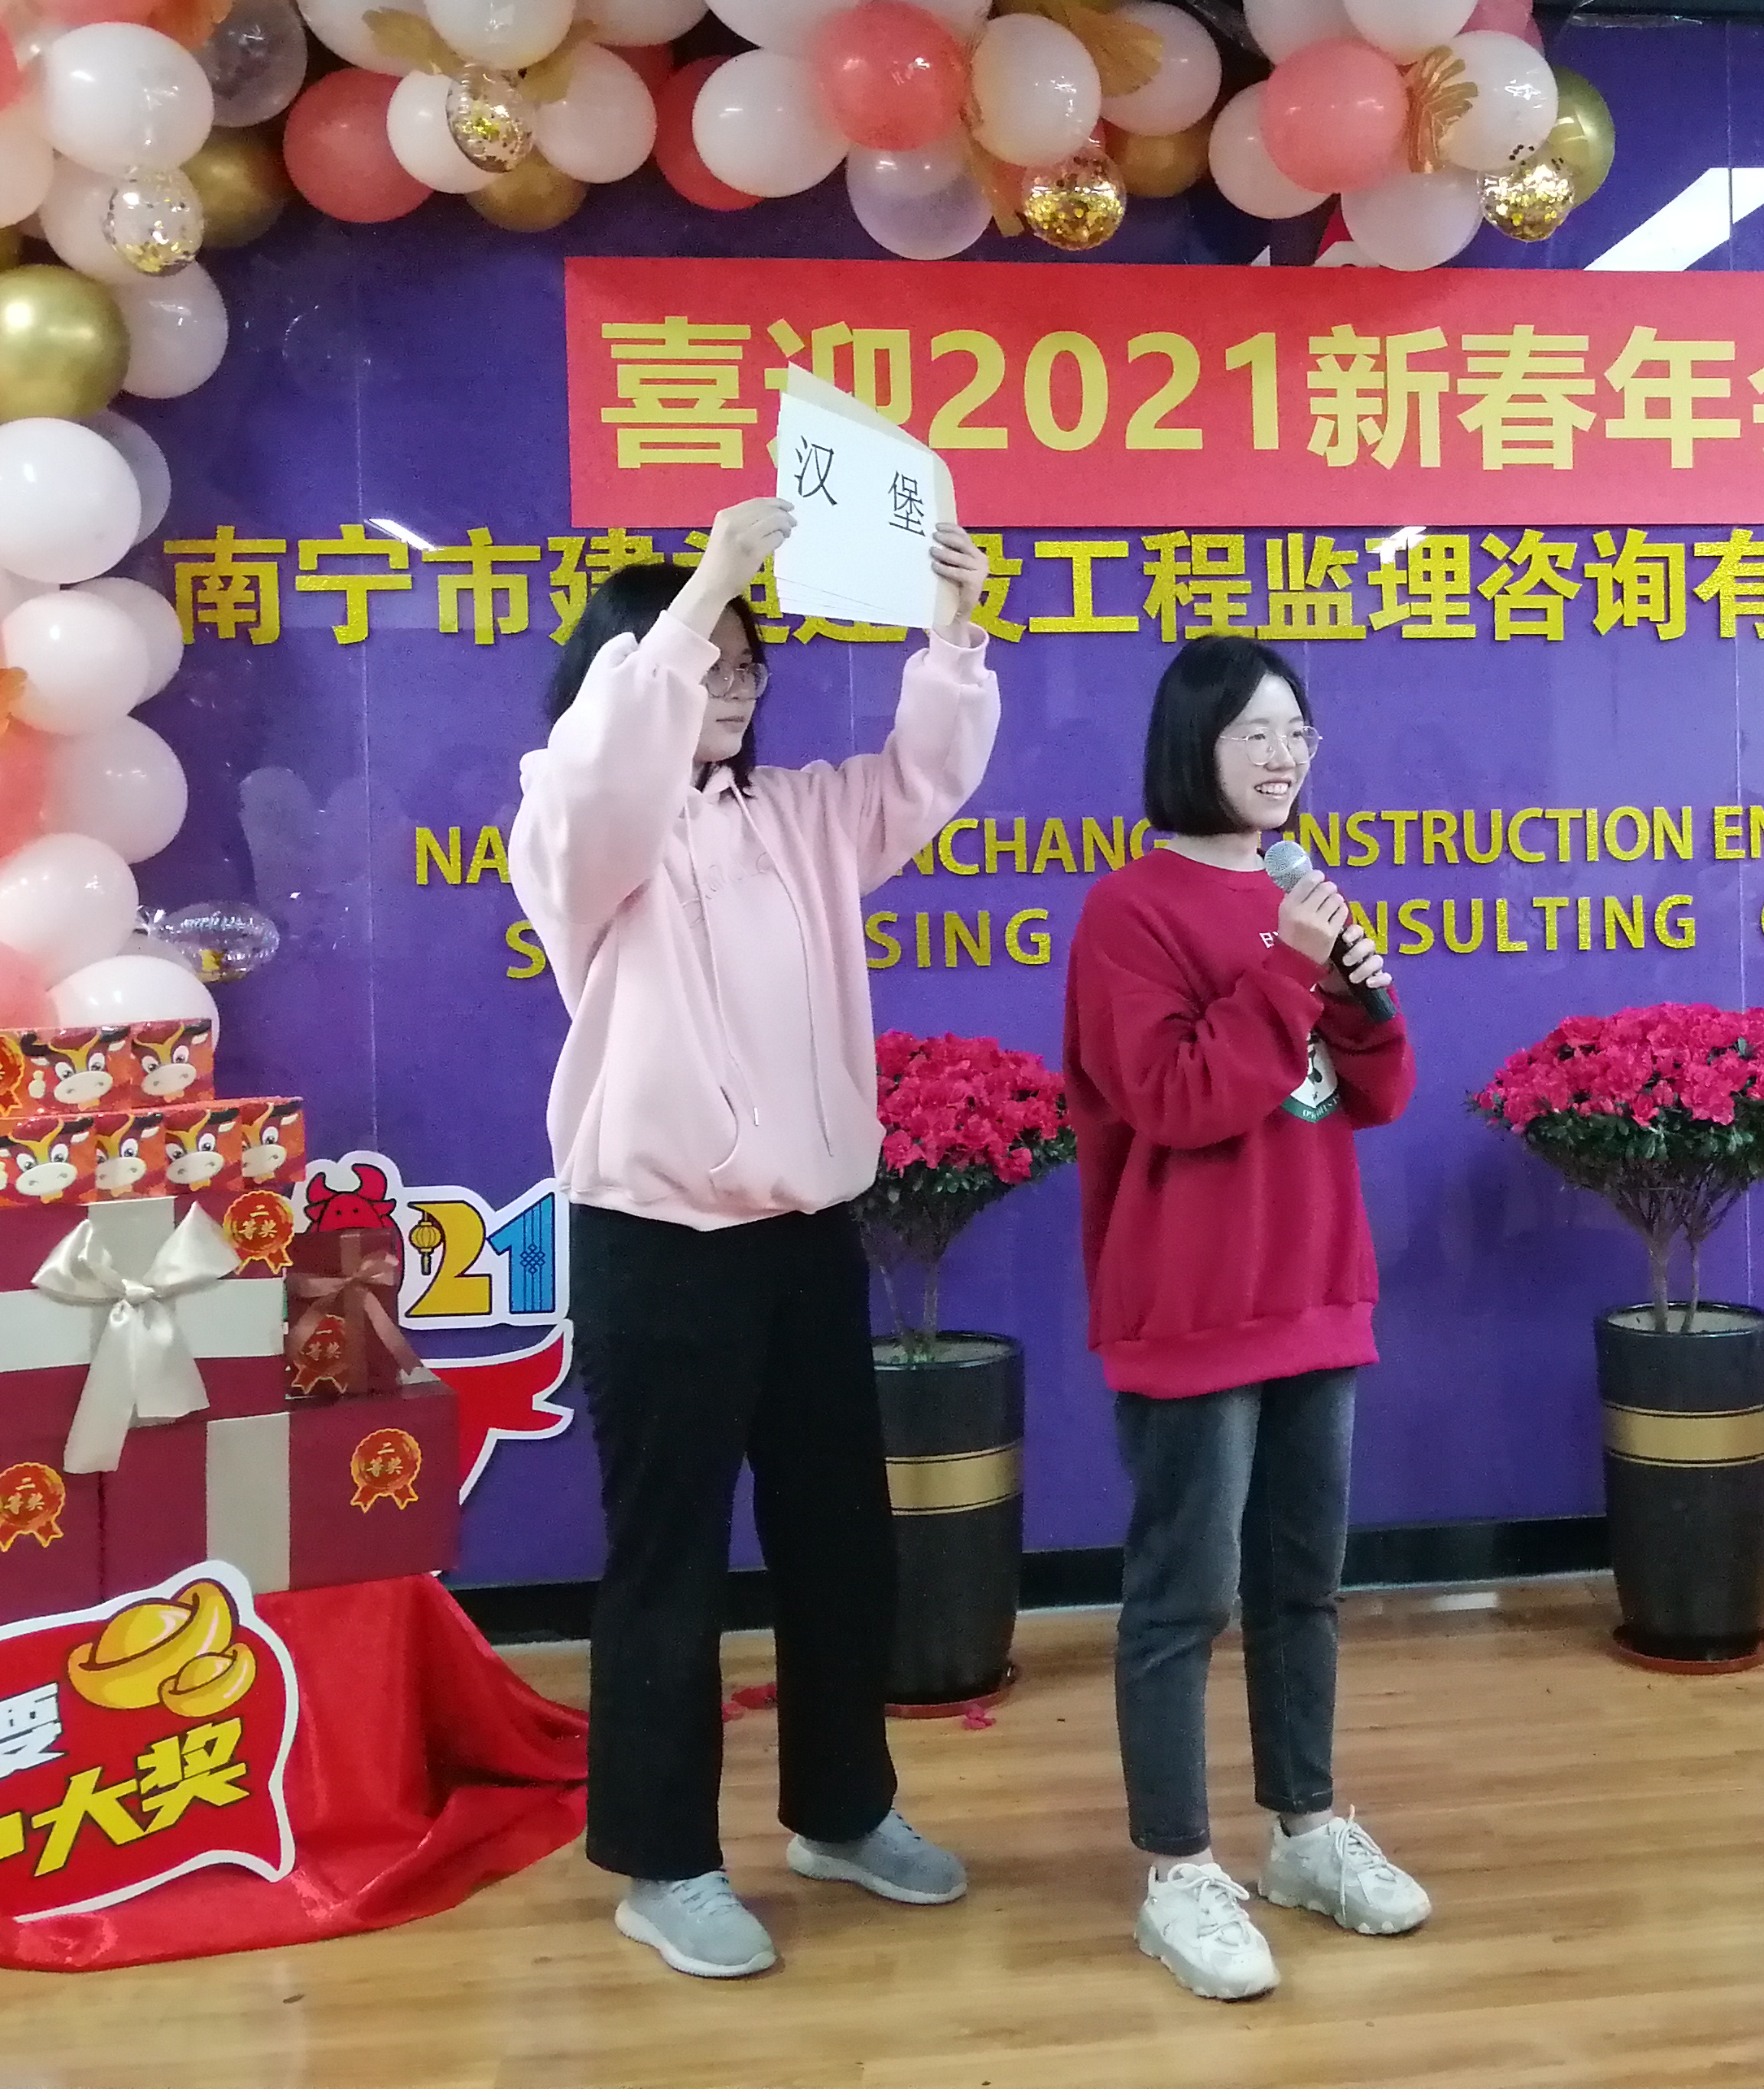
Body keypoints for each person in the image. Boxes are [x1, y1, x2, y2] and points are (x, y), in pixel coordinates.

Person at [510, 496, 999, 1983]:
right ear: (632, 667)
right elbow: (610, 763)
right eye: (706, 660)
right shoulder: (577, 819)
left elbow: (920, 778)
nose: (733, 684)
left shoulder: (795, 816)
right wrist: (710, 578)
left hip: (802, 1231)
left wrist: (950, 632)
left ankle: (843, 1811)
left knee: (841, 1539)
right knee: (668, 1559)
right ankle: (664, 1864)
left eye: (748, 663)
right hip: (658, 1239)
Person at [1062, 636, 1429, 2002]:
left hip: (1316, 1288)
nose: (1284, 760)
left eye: (1298, 734)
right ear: (1192, 747)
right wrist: (1287, 967)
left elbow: (1374, 1094)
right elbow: (1176, 1099)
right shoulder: (1129, 913)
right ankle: (1177, 1870)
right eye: (1255, 735)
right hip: (1194, 1303)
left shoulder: (1299, 896)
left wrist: (1358, 996)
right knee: (1184, 1595)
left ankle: (1306, 1832)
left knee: (1301, 1584)